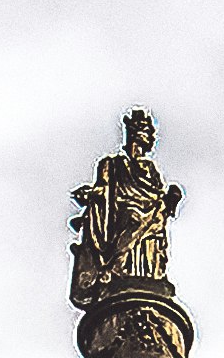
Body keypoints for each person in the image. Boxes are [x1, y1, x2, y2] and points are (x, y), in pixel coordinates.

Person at [71, 109, 182, 306]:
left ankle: (143, 276)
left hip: (152, 214)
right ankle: (115, 268)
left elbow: (157, 195)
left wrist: (171, 198)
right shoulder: (111, 163)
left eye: (149, 132)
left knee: (151, 220)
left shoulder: (151, 169)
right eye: (145, 131)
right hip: (122, 213)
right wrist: (89, 194)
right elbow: (102, 189)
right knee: (133, 217)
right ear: (134, 132)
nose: (149, 137)